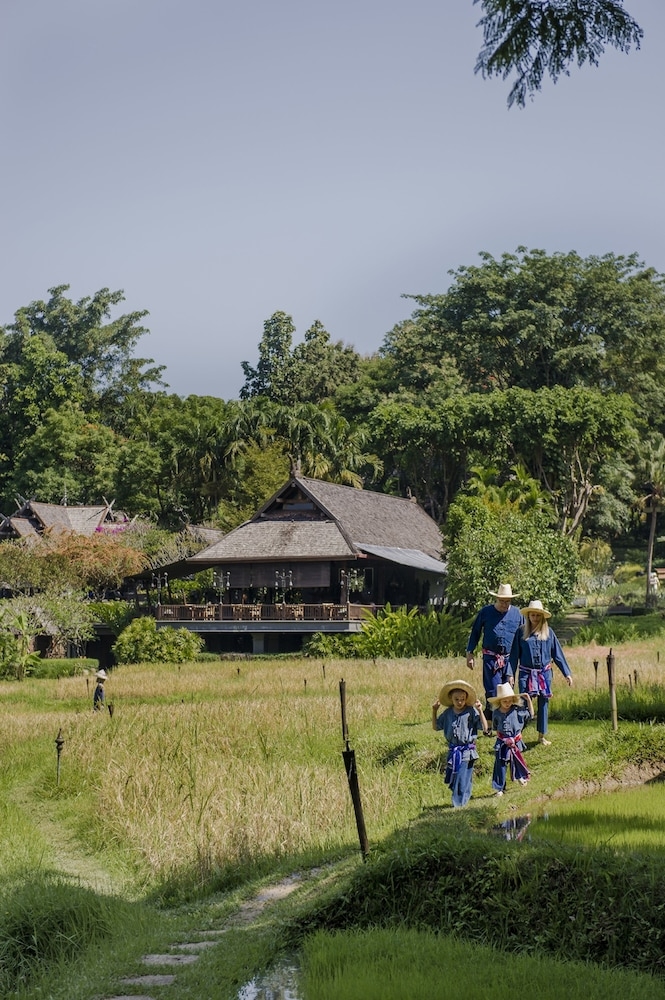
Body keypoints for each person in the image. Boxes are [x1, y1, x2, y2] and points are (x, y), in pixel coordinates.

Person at [509, 598, 573, 745]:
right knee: (523, 703)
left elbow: (557, 654)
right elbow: (513, 656)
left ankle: (541, 736)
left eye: (538, 615)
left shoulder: (549, 633)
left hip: (544, 674)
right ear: (528, 616)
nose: (535, 618)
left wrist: (567, 673)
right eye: (532, 615)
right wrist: (510, 674)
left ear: (542, 617)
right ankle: (518, 735)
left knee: (543, 704)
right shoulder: (521, 633)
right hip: (526, 673)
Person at [465, 583, 523, 725]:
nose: (504, 604)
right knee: (493, 691)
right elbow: (475, 633)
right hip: (491, 658)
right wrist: (470, 653)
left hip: (510, 659)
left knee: (508, 691)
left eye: (507, 601)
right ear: (496, 599)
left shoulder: (518, 614)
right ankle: (491, 721)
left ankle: (504, 721)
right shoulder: (486, 612)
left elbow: (524, 635)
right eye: (502, 601)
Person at [432, 679, 489, 808]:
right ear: (451, 699)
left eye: (462, 699)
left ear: (466, 699)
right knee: (459, 777)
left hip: (467, 751)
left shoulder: (470, 711)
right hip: (453, 752)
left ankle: (458, 805)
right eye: (456, 699)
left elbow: (485, 728)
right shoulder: (447, 713)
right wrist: (434, 711)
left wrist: (480, 710)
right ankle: (464, 802)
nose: (459, 702)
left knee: (463, 777)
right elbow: (436, 727)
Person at [489, 682, 534, 796]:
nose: (507, 703)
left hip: (515, 740)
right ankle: (500, 788)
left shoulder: (517, 710)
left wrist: (528, 700)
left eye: (509, 700)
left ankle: (520, 777)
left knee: (516, 760)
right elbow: (495, 726)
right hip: (502, 742)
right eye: (504, 701)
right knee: (501, 764)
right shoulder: (496, 713)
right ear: (499, 701)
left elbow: (531, 715)